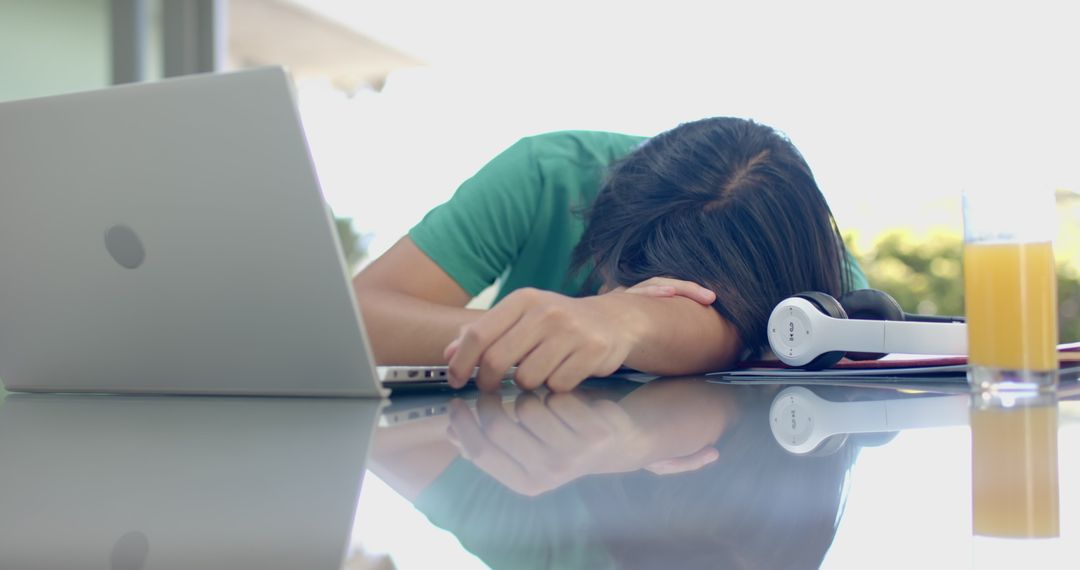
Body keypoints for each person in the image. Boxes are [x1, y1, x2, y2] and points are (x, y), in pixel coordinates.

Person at [353, 117, 868, 391]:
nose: (608, 298)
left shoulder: (819, 275)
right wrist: (549, 330)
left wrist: (639, 324)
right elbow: (355, 321)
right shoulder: (547, 175)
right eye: (623, 283)